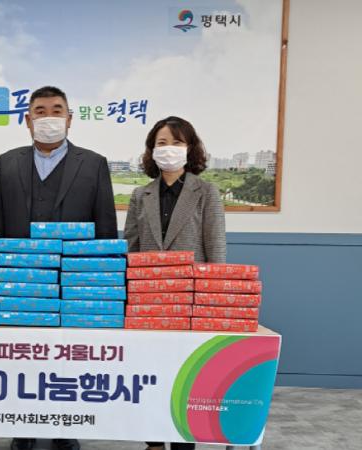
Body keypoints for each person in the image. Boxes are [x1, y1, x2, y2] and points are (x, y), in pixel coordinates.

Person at [0, 86, 118, 450]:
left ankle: (65, 427)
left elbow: (105, 225)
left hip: (73, 281)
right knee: (22, 357)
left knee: (67, 359)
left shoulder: (93, 163)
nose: (49, 118)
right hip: (20, 281)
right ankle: (23, 427)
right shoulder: (7, 162)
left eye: (57, 110)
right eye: (41, 111)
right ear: (27, 120)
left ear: (70, 119)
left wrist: (101, 282)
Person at [124, 116, 226, 450]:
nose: (169, 149)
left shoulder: (206, 192)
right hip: (148, 300)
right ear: (151, 150)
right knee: (150, 377)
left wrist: (213, 302)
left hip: (190, 301)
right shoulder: (140, 195)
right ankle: (153, 443)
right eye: (162, 143)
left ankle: (184, 442)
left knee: (185, 378)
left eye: (177, 142)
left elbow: (216, 249)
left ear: (190, 148)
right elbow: (130, 248)